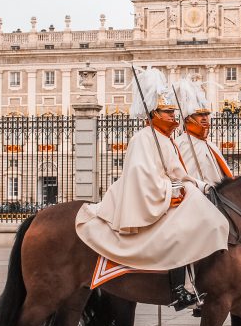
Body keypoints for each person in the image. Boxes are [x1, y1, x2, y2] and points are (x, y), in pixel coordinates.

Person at [75, 69, 229, 310]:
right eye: (167, 112)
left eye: (173, 112)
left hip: (165, 193)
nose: (172, 116)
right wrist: (173, 190)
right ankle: (179, 289)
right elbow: (141, 177)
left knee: (198, 206)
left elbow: (180, 173)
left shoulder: (165, 139)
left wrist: (201, 185)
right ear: (153, 114)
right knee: (182, 228)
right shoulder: (143, 138)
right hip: (146, 196)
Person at [174, 78, 234, 186]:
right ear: (188, 118)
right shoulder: (180, 144)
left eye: (206, 114)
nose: (204, 118)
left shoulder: (210, 145)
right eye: (200, 115)